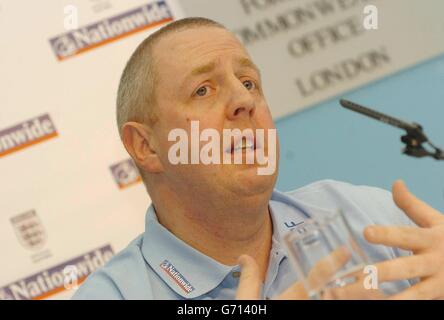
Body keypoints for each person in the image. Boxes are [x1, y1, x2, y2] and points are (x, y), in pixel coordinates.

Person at [72, 17, 444, 300]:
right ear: (146, 146)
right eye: (203, 90)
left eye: (249, 83)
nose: (245, 101)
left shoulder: (368, 217)